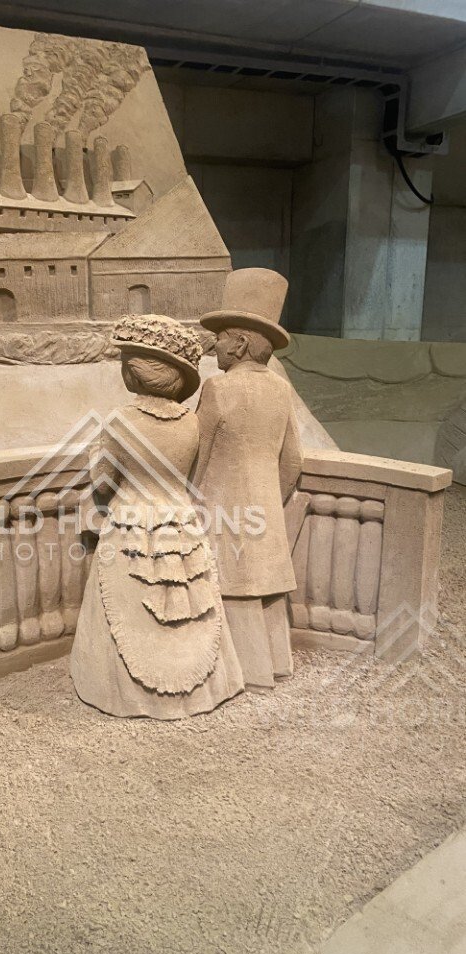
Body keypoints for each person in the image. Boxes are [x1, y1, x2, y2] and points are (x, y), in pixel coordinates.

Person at [69, 314, 244, 719]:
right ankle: (196, 690)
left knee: (128, 602)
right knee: (187, 601)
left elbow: (101, 483)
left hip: (131, 522)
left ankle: (123, 694)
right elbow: (191, 475)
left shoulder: (120, 421)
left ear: (134, 372)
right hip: (178, 522)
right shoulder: (191, 423)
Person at [192, 268, 303, 691]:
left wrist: (190, 498)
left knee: (233, 588)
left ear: (239, 343)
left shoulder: (217, 388)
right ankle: (277, 664)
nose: (214, 345)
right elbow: (293, 461)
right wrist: (270, 498)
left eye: (220, 337)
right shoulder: (280, 390)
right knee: (268, 588)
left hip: (225, 509)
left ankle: (244, 674)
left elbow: (197, 454)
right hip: (265, 510)